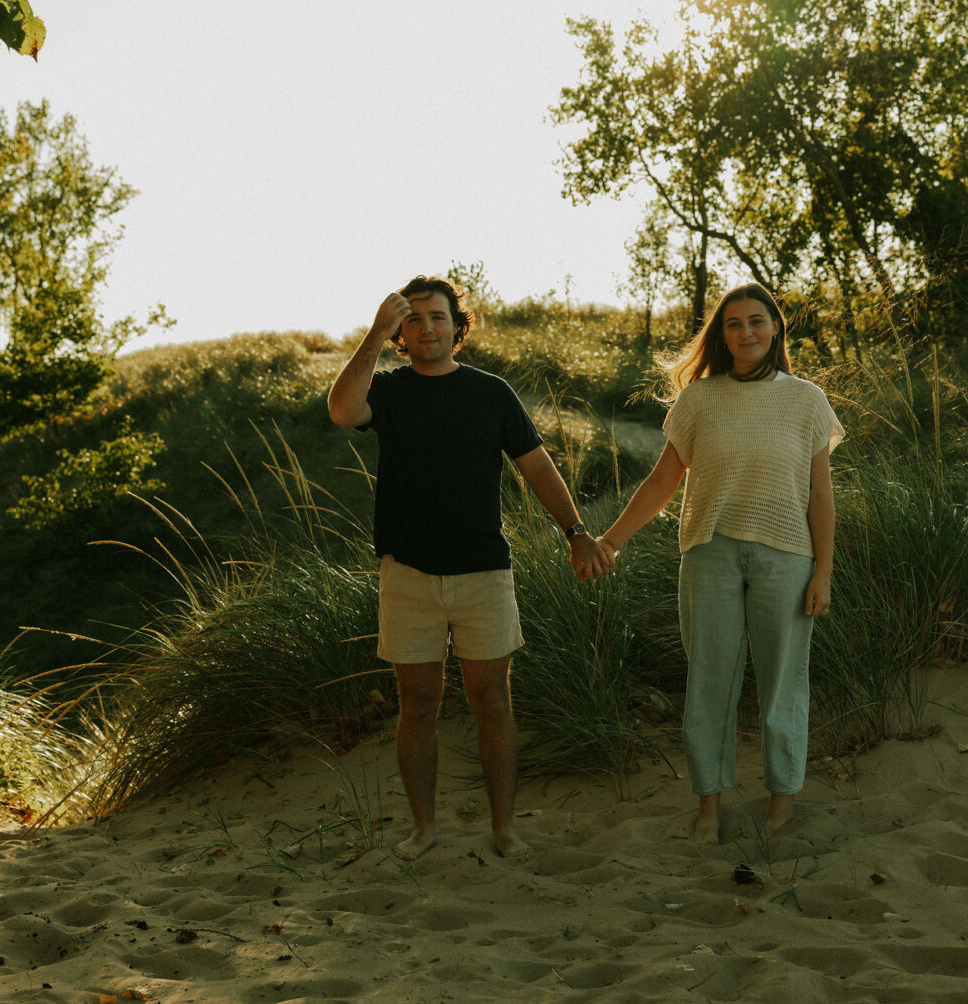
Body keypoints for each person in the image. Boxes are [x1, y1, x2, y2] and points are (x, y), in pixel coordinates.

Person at [328, 275, 614, 861]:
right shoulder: (387, 389)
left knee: (492, 702)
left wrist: (577, 533)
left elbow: (537, 468)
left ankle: (504, 829)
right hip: (407, 573)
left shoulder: (492, 393)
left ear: (459, 327)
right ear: (401, 334)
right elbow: (341, 410)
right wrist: (375, 333)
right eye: (413, 320)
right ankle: (424, 829)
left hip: (484, 572)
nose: (426, 327)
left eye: (437, 317)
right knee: (419, 705)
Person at [596, 283, 843, 844]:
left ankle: (781, 803)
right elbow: (663, 481)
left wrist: (823, 571)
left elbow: (820, 494)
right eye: (733, 324)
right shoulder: (699, 400)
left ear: (775, 327)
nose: (746, 332)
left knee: (783, 683)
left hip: (787, 555)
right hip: (709, 553)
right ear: (721, 335)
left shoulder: (806, 399)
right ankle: (709, 806)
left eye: (757, 321)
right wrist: (611, 541)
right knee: (709, 681)